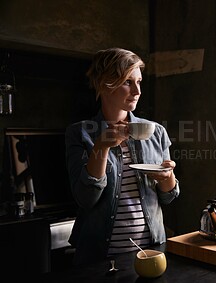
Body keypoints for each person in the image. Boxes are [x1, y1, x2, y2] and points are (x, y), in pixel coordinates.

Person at [65, 47, 179, 265]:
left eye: (139, 82)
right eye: (128, 82)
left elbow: (168, 197)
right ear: (105, 84)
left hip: (151, 252)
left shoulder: (156, 132)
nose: (137, 91)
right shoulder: (80, 133)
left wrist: (167, 178)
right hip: (98, 258)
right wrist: (102, 145)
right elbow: (86, 199)